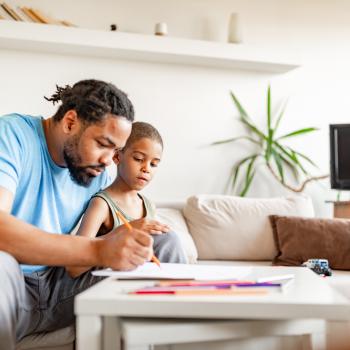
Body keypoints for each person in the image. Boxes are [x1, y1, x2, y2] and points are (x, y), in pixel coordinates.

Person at [0, 79, 184, 349]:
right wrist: (98, 250)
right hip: (10, 283)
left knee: (164, 242)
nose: (109, 160)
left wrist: (122, 237)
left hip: (57, 287)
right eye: (102, 144)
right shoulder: (13, 135)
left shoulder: (96, 174)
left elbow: (82, 263)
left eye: (116, 151)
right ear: (71, 122)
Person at [66, 121, 186, 278]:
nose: (146, 168)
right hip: (96, 279)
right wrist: (119, 233)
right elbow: (74, 268)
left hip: (133, 277)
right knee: (168, 240)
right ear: (117, 156)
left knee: (167, 239)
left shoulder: (148, 206)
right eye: (138, 158)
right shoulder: (101, 204)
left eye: (154, 164)